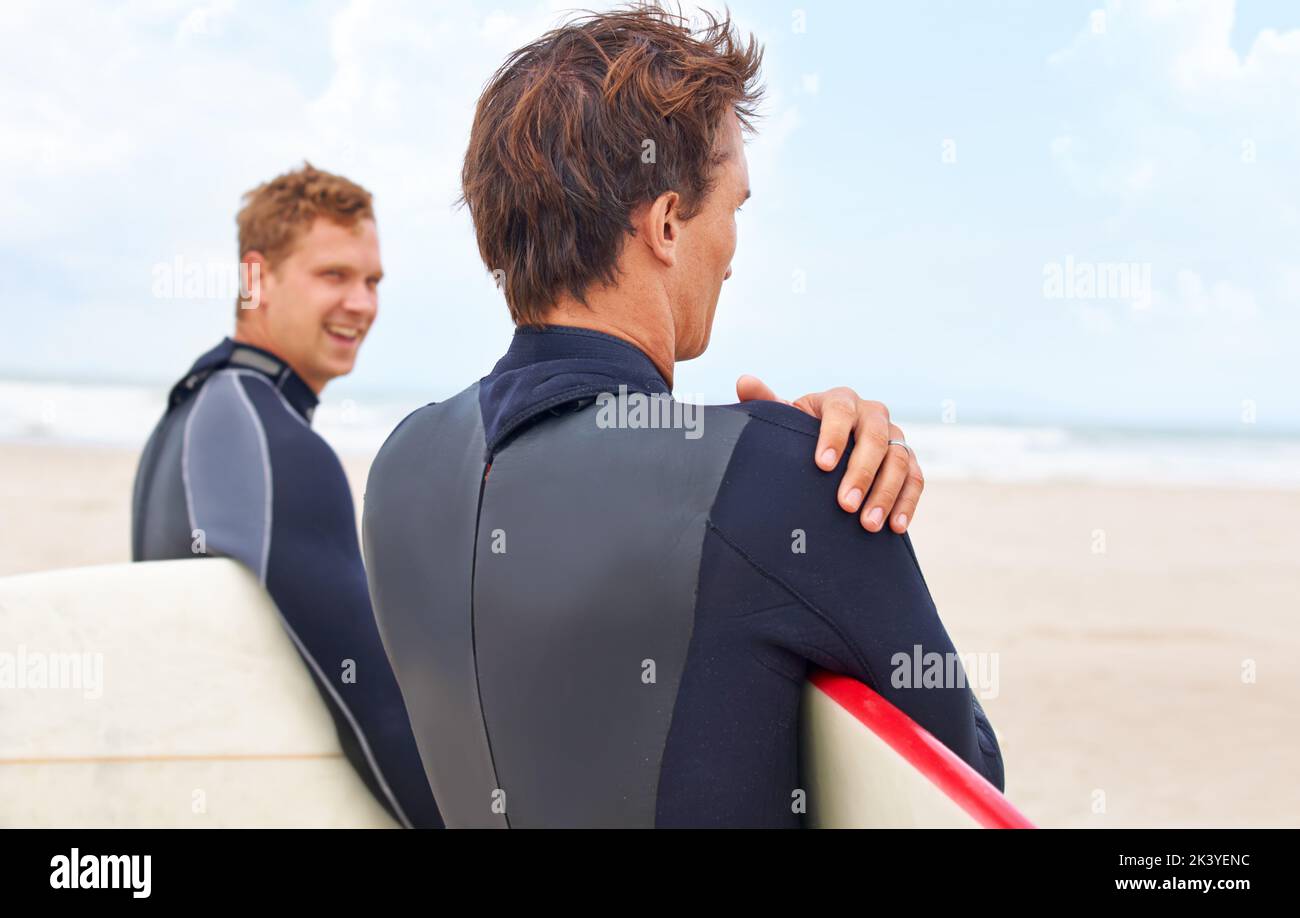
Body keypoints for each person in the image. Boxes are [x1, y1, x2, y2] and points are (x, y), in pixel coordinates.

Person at [362, 6, 1003, 828]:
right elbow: (968, 787)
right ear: (666, 224)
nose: (734, 248)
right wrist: (793, 473)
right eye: (733, 205)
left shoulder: (401, 468)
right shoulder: (787, 481)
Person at [130, 164, 441, 827]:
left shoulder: (187, 418)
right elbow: (372, 709)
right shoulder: (269, 441)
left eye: (372, 281)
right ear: (255, 278)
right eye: (333, 275)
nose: (362, 303)